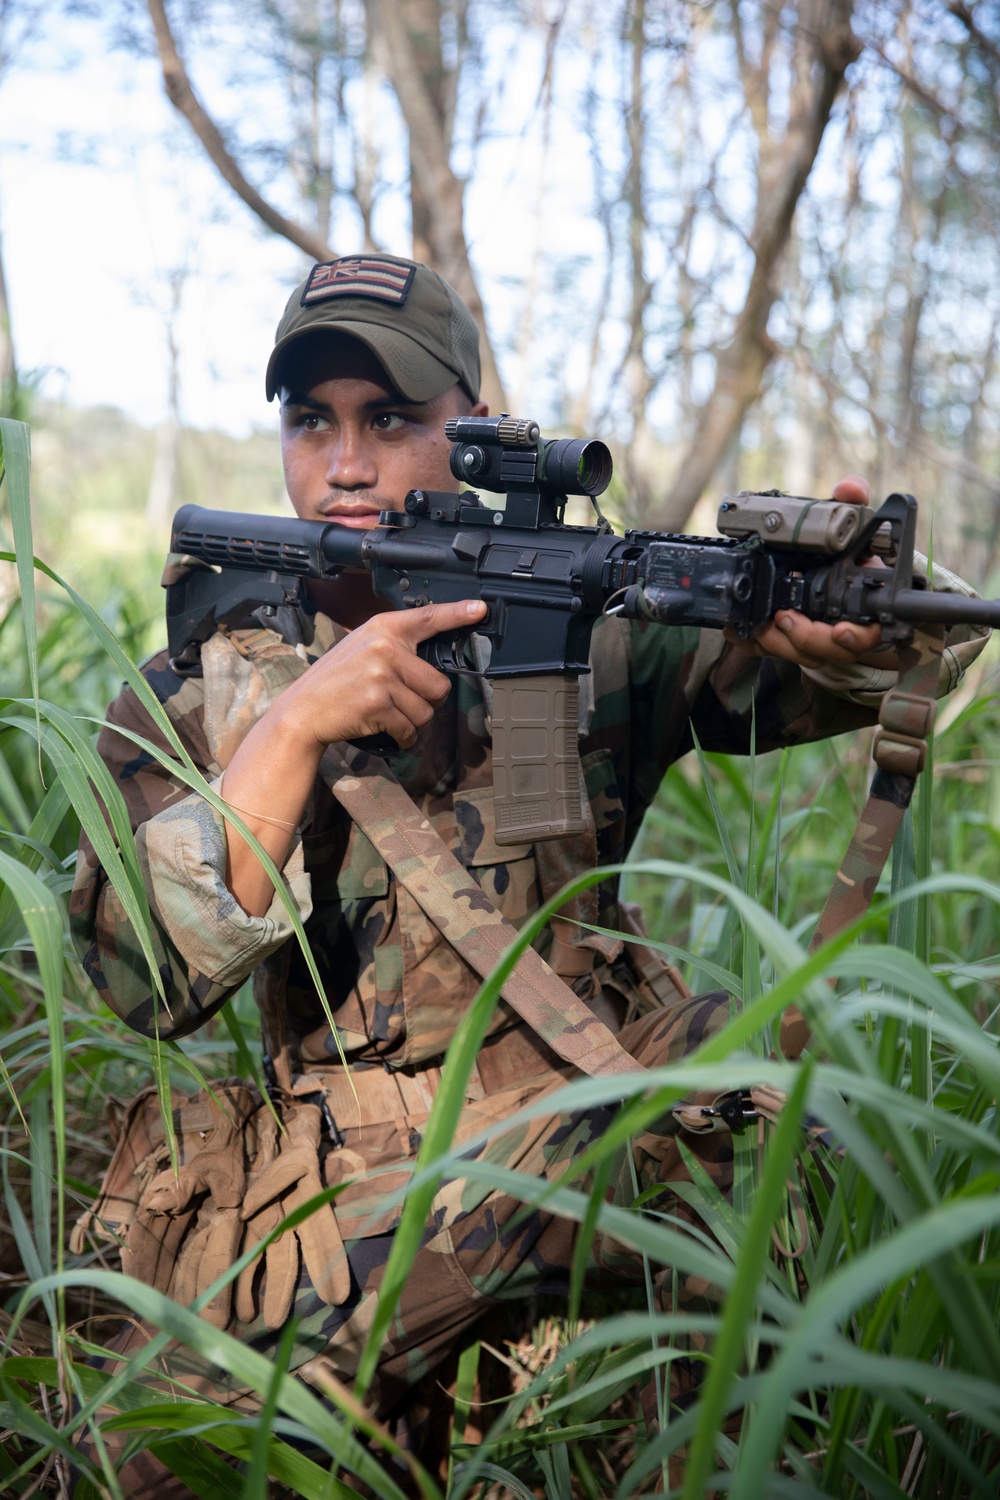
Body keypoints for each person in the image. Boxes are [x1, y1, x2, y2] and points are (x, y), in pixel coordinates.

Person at [70, 253, 987, 1488]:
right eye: (312, 422)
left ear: (471, 428)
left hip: (590, 1112)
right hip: (337, 1189)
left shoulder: (588, 629)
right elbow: (132, 986)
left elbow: (810, 671)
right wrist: (290, 732)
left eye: (392, 419)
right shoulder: (198, 690)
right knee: (163, 1458)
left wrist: (851, 628)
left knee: (756, 1086)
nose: (347, 463)